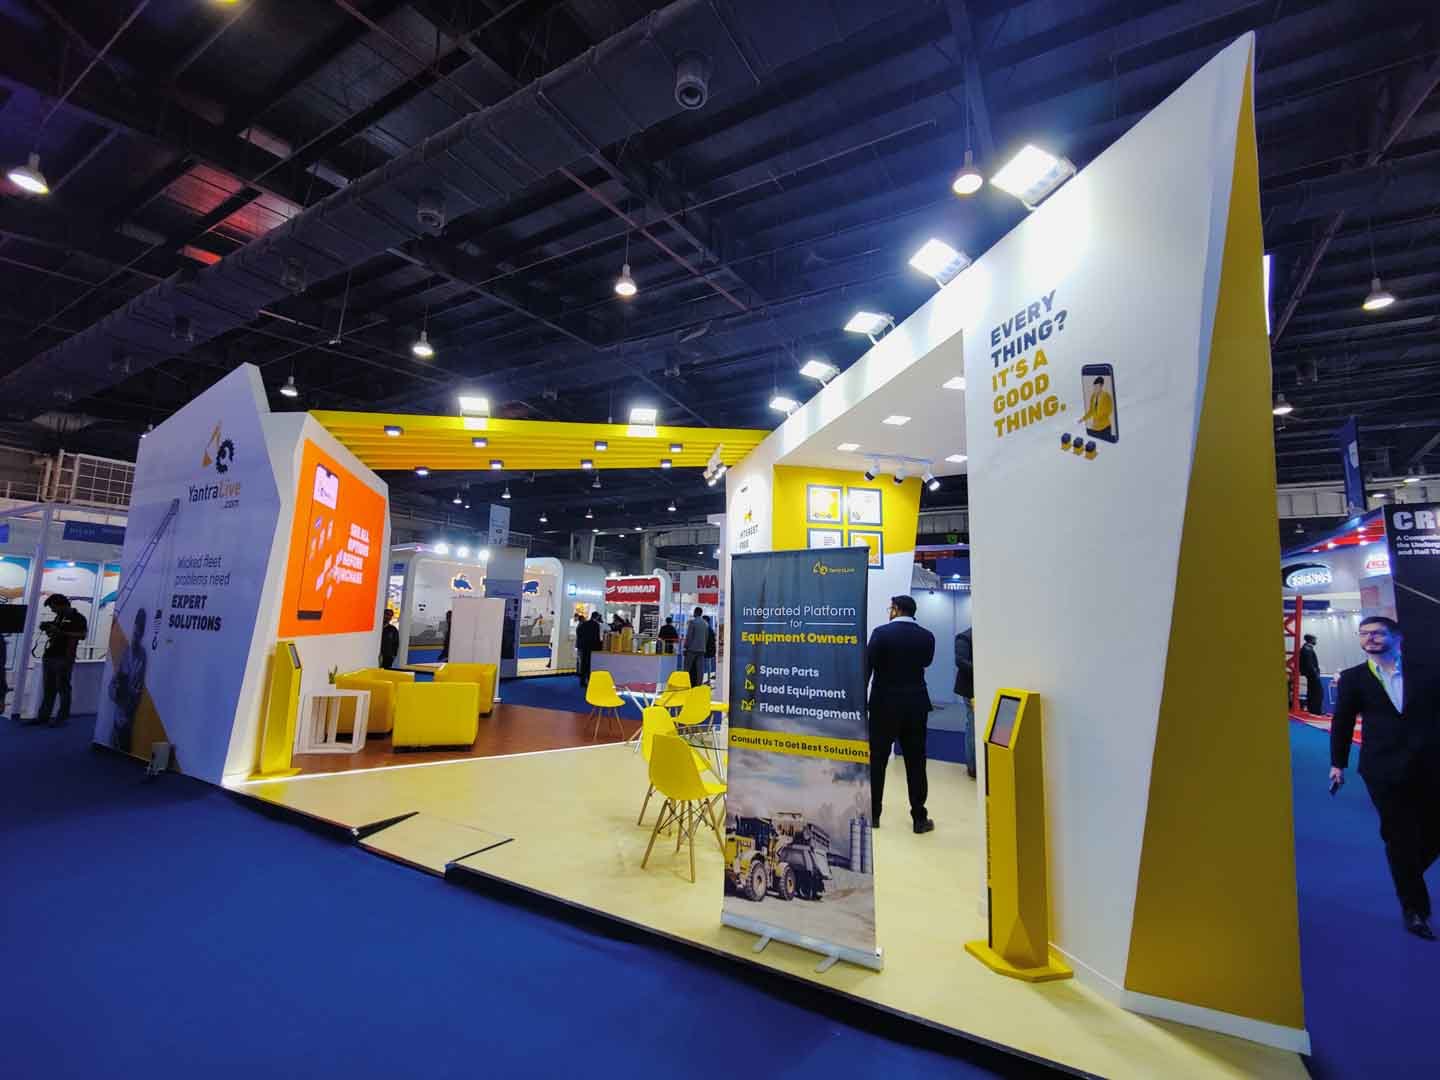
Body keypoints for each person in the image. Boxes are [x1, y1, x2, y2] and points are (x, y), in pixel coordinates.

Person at [1330, 616, 1440, 941]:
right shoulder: (1353, 678)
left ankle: (1407, 873)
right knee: (1398, 836)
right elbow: (1342, 721)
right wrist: (1338, 764)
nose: (1370, 638)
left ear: (1397, 637)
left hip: (1431, 765)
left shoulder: (1428, 671)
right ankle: (1414, 910)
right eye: (1364, 634)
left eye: (1377, 633)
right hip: (1382, 769)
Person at [867, 595, 935, 833]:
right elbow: (926, 662)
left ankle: (873, 815)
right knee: (916, 762)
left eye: (890, 608)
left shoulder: (880, 634)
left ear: (896, 609)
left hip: (883, 706)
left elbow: (868, 667)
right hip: (915, 706)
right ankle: (919, 818)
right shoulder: (927, 636)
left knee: (877, 761)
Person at [27, 594, 88, 728]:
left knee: (63, 688)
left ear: (62, 605)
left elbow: (82, 635)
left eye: (53, 607)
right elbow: (55, 633)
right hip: (50, 655)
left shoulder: (78, 618)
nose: (52, 610)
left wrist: (61, 632)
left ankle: (61, 718)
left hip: (64, 656)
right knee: (48, 688)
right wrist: (49, 628)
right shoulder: (59, 617)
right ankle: (43, 717)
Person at [109, 608, 148, 752]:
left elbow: (137, 688)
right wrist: (117, 690)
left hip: (127, 706)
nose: (137, 633)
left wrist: (128, 698)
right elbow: (116, 679)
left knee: (123, 738)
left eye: (140, 629)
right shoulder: (128, 652)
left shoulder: (141, 656)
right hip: (122, 701)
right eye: (136, 628)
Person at [954, 627, 976, 778]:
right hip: (970, 689)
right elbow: (961, 662)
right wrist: (983, 670)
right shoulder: (964, 637)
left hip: (982, 686)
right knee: (973, 725)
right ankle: (973, 767)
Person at [683, 606, 709, 687]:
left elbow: (689, 636)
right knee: (700, 669)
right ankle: (699, 685)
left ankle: (685, 684)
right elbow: (706, 637)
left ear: (696, 612)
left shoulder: (693, 622)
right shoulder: (705, 624)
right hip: (702, 649)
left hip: (692, 649)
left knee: (687, 667)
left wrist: (686, 646)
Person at [577, 611, 603, 687]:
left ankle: (582, 681)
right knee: (589, 664)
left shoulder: (584, 623)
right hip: (592, 647)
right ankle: (589, 680)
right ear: (597, 617)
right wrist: (599, 647)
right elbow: (597, 637)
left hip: (584, 646)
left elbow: (579, 632)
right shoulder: (596, 625)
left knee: (583, 664)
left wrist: (582, 641)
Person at [1299, 633, 1323, 714]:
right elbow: (1309, 664)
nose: (1316, 641)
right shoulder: (1307, 649)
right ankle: (1315, 710)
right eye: (1314, 639)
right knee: (1317, 692)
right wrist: (1315, 673)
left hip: (1311, 674)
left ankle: (1313, 710)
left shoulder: (1307, 648)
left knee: (1313, 692)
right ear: (1311, 640)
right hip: (1312, 674)